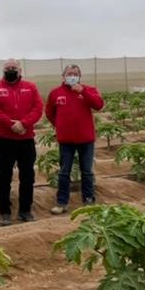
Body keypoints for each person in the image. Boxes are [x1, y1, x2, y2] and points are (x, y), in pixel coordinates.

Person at [0, 58, 43, 226]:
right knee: (4, 176)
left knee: (27, 176)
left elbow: (38, 108)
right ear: (3, 71)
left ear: (20, 70)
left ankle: (25, 210)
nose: (11, 70)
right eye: (8, 68)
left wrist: (23, 124)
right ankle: (4, 211)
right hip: (3, 139)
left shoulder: (30, 87)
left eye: (14, 68)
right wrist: (12, 125)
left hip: (26, 139)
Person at [46, 64, 105, 214]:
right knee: (64, 172)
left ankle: (89, 201)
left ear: (79, 76)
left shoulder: (89, 90)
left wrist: (83, 91)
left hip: (86, 139)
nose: (72, 76)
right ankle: (62, 203)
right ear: (63, 76)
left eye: (75, 73)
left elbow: (98, 105)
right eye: (69, 73)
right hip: (66, 140)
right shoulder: (55, 93)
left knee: (87, 171)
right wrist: (59, 125)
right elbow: (49, 113)